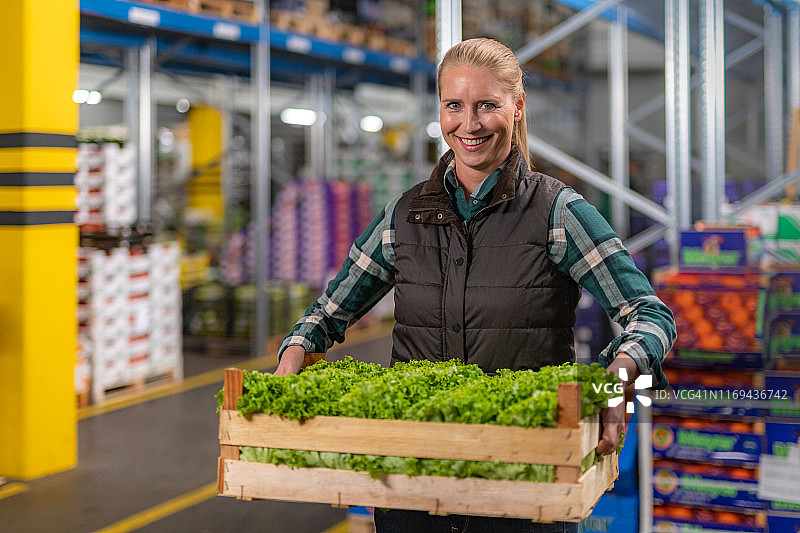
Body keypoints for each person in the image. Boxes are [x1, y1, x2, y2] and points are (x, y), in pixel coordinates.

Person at [275, 37, 676, 533]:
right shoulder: (405, 215)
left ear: (518, 106)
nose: (469, 124)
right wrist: (297, 347)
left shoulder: (557, 213)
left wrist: (620, 377)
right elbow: (329, 310)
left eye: (488, 105)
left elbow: (649, 314)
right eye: (454, 106)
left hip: (527, 484)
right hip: (413, 487)